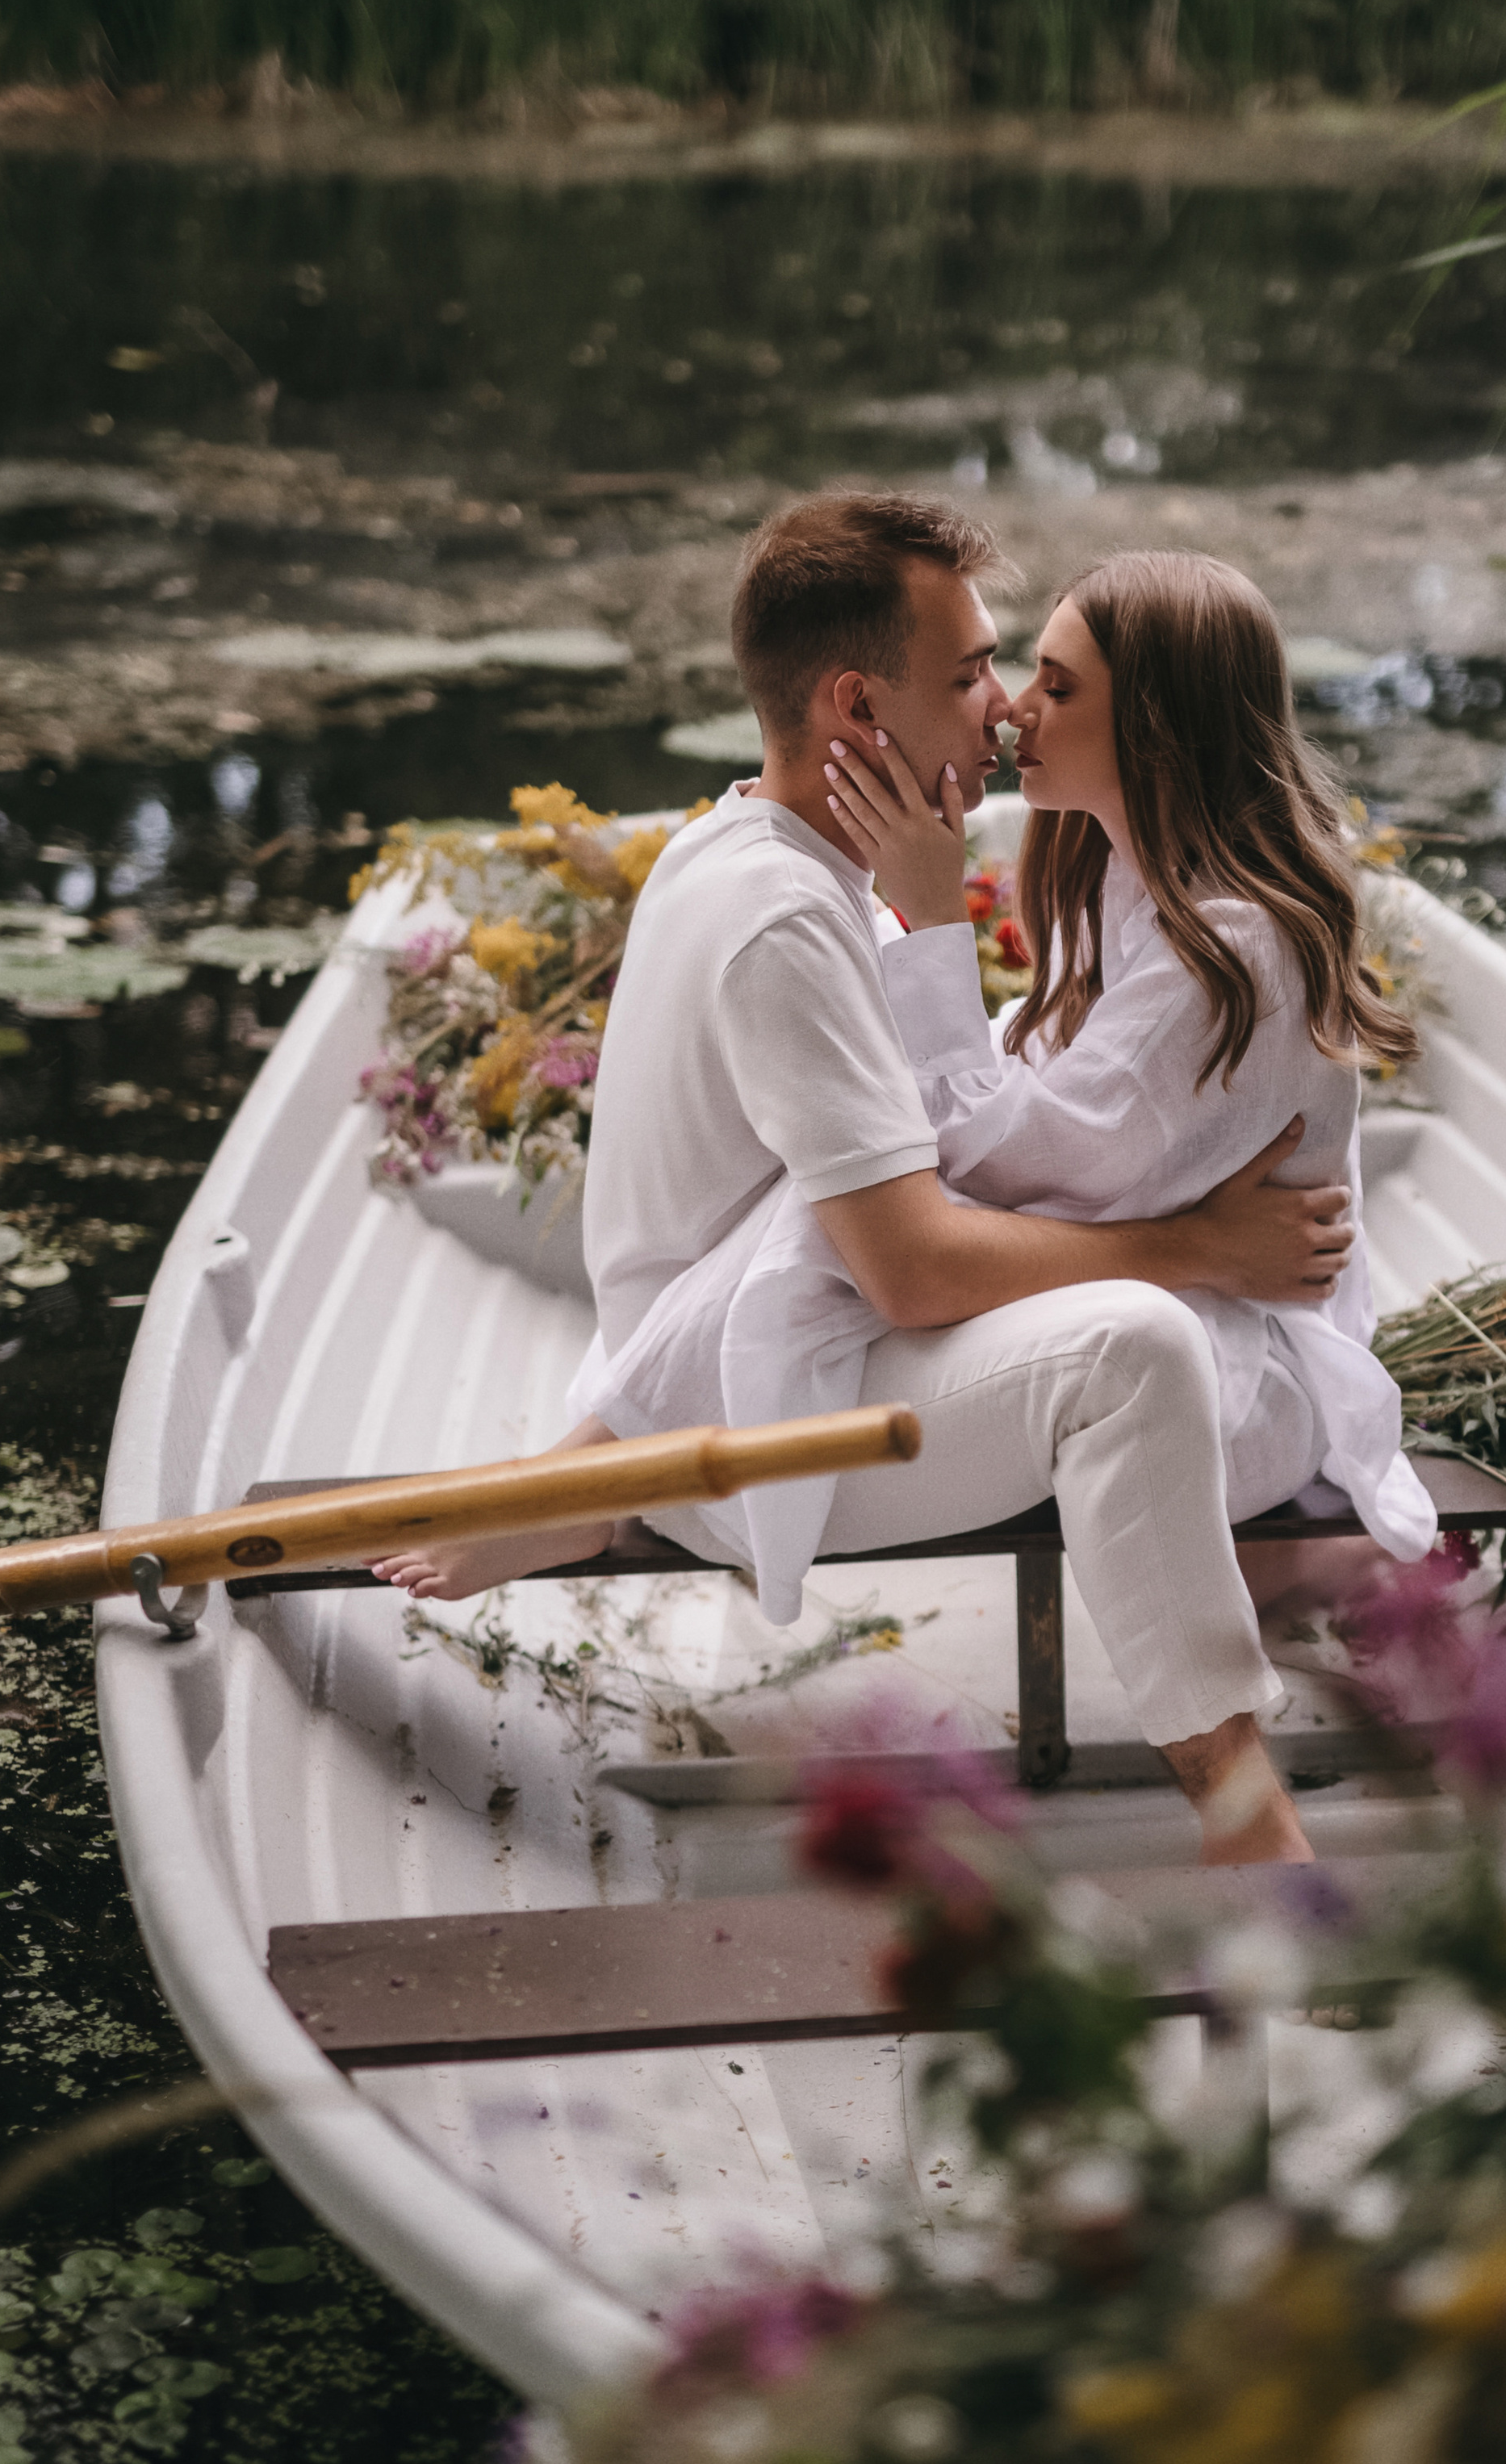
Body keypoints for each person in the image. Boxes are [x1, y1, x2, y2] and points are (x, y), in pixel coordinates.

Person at [375, 494, 1357, 1863]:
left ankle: (578, 1475)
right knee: (1107, 1335)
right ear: (856, 703)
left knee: (940, 1232)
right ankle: (594, 1479)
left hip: (760, 1358)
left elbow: (979, 1182)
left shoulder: (754, 845)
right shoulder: (789, 915)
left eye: (1025, 678)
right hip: (743, 1424)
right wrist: (1197, 1247)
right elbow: (920, 1261)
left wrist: (926, 922)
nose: (1003, 710)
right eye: (970, 675)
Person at [820, 550, 1437, 1620]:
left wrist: (926, 924)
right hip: (1180, 1301)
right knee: (838, 1229)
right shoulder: (1129, 870)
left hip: (1233, 1382)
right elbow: (1031, 1071)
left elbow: (1015, 1169)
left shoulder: (1231, 949)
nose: (1014, 712)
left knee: (857, 1253)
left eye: (1059, 689)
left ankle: (1295, 1566)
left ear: (1159, 728)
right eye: (1028, 677)